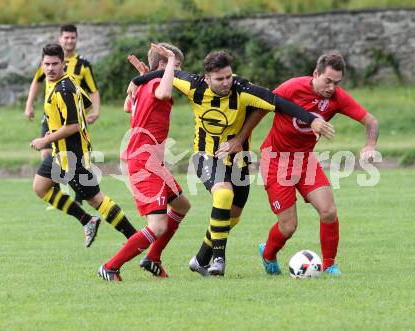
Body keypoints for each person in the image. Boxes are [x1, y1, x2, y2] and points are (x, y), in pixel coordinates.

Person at [127, 50, 335, 276]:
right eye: (220, 79)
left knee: (232, 218)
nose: (226, 82)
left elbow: (279, 103)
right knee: (223, 195)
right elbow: (163, 74)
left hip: (238, 161)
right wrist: (136, 81)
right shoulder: (193, 85)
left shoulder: (243, 90)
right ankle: (218, 259)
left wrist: (312, 119)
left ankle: (201, 259)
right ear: (207, 79)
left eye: (228, 77)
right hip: (206, 154)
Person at [221, 50, 379, 275]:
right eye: (327, 81)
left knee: (329, 211)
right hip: (275, 160)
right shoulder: (292, 87)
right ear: (315, 73)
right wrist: (240, 139)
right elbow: (261, 108)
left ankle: (329, 266)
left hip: (305, 160)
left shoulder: (337, 98)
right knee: (288, 226)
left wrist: (370, 145)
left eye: (336, 83)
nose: (331, 87)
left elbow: (370, 121)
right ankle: (268, 253)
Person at [98, 43, 190, 281]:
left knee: (181, 205)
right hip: (143, 163)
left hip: (152, 163)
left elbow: (128, 107)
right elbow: (164, 93)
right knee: (157, 226)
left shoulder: (144, 84)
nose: (178, 72)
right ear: (162, 65)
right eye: (176, 66)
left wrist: (141, 78)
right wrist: (169, 63)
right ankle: (110, 266)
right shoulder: (158, 84)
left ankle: (153, 258)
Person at [30, 44, 136, 248]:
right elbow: (84, 106)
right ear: (42, 64)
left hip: (71, 157)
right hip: (58, 154)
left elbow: (73, 125)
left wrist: (46, 139)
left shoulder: (64, 89)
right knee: (40, 187)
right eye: (47, 64)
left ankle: (136, 239)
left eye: (55, 64)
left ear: (63, 64)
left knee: (97, 201)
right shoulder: (66, 82)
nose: (50, 68)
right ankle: (87, 220)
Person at [25, 24, 100, 204]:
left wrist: (94, 111)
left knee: (73, 156)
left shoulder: (83, 65)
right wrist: (29, 104)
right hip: (50, 117)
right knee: (47, 154)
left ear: (76, 39)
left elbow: (92, 91)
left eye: (72, 37)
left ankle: (79, 193)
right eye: (66, 37)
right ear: (60, 39)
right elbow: (36, 82)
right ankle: (57, 190)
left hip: (70, 118)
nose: (69, 40)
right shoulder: (48, 63)